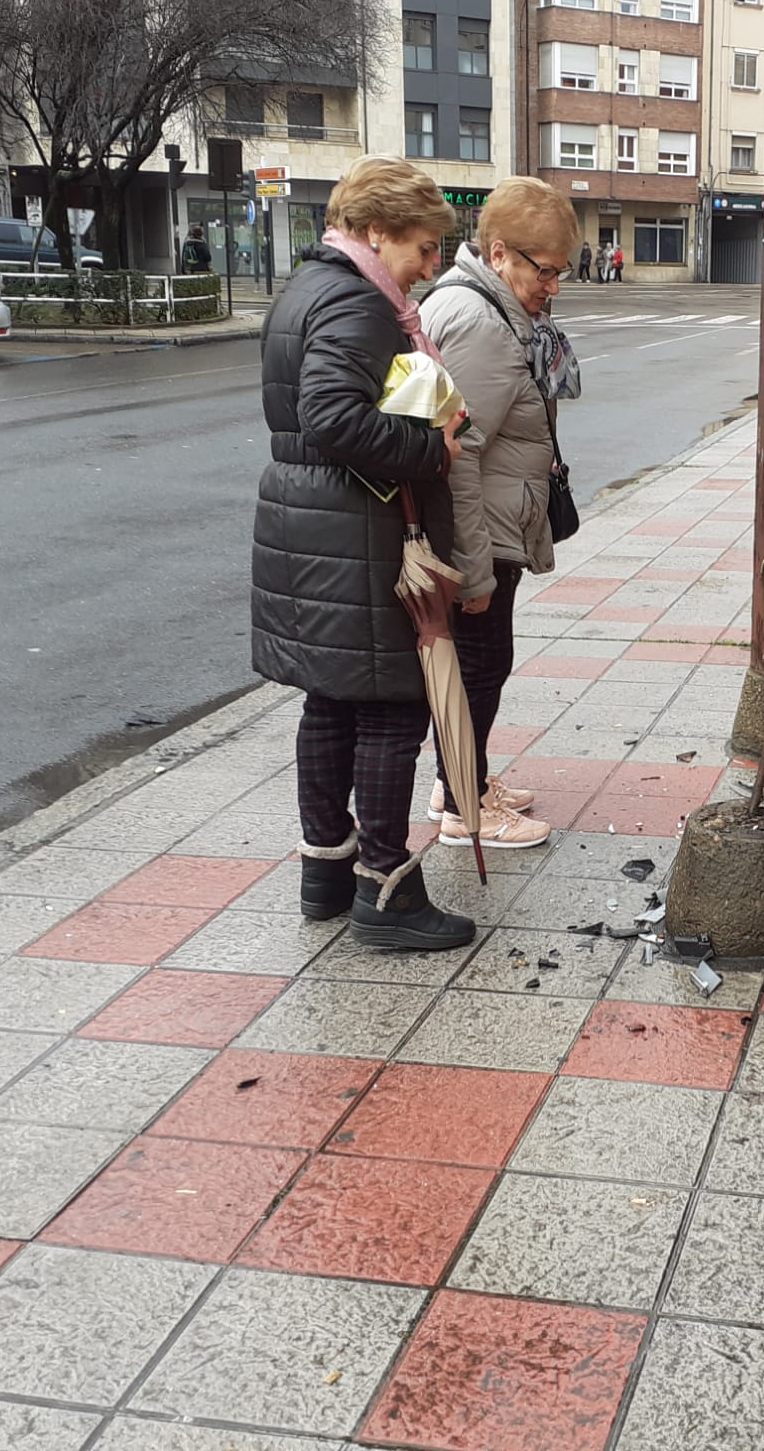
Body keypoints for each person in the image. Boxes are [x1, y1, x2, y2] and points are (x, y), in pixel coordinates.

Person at [251, 156, 477, 952]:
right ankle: (387, 892)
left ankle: (327, 872)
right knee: (390, 705)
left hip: (311, 525)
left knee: (331, 700)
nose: (431, 266)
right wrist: (434, 449)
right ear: (376, 233)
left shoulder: (312, 286)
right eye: (421, 248)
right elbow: (334, 421)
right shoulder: (358, 302)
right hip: (356, 529)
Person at [421, 177, 583, 850]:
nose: (553, 286)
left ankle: (458, 780)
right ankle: (464, 806)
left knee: (476, 664)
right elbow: (456, 453)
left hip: (491, 521)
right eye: (544, 270)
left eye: (560, 271)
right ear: (498, 254)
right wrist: (474, 569)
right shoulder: (481, 326)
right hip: (477, 531)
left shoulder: (492, 312)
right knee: (481, 665)